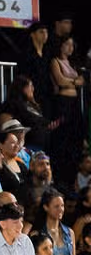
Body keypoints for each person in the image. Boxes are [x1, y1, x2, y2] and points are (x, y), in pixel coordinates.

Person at [49, 34, 85, 186]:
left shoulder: (73, 63)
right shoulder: (55, 61)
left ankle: (71, 177)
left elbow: (81, 81)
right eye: (67, 44)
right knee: (62, 137)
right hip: (63, 102)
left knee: (75, 137)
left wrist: (72, 82)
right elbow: (60, 80)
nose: (70, 48)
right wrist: (74, 82)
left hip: (75, 102)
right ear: (61, 45)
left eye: (72, 45)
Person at [0, 74, 49, 152]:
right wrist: (18, 144)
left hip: (41, 148)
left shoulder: (32, 105)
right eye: (30, 86)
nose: (33, 89)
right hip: (25, 148)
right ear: (22, 87)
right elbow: (5, 127)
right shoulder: (10, 105)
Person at [17, 21, 51, 105]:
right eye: (41, 32)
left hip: (46, 92)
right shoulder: (26, 53)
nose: (45, 35)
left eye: (46, 32)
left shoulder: (47, 53)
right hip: (32, 91)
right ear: (32, 34)